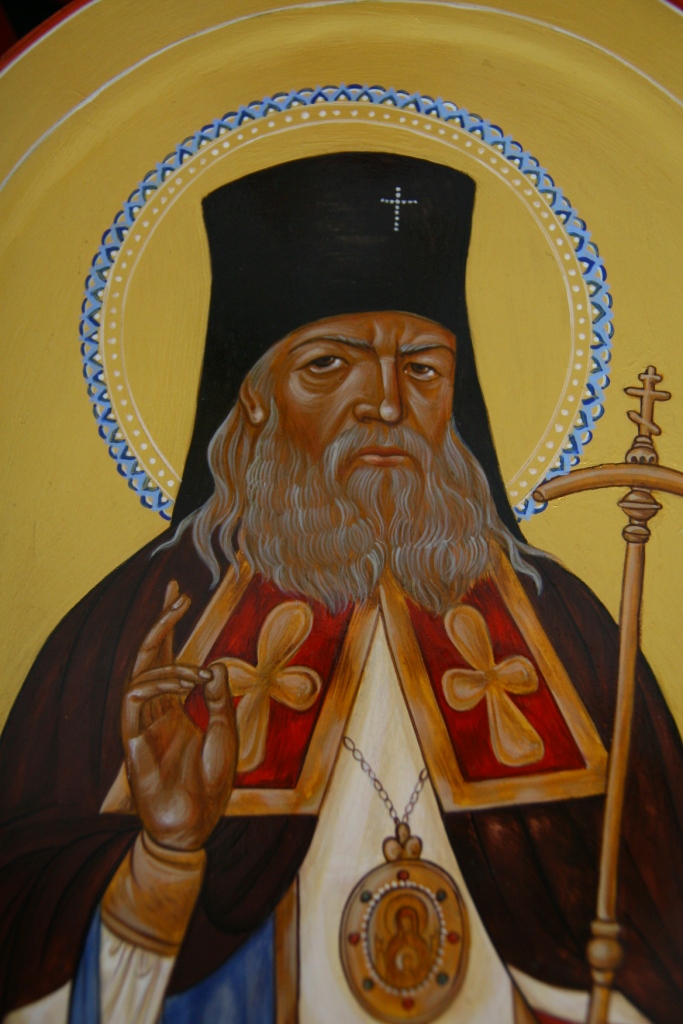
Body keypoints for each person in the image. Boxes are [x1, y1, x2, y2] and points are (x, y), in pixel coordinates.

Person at [0, 153, 682, 1024]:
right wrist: (163, 861)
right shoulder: (142, 630)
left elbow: (657, 935)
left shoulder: (563, 632)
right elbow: (26, 944)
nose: (385, 404)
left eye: (423, 368)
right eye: (328, 365)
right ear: (253, 399)